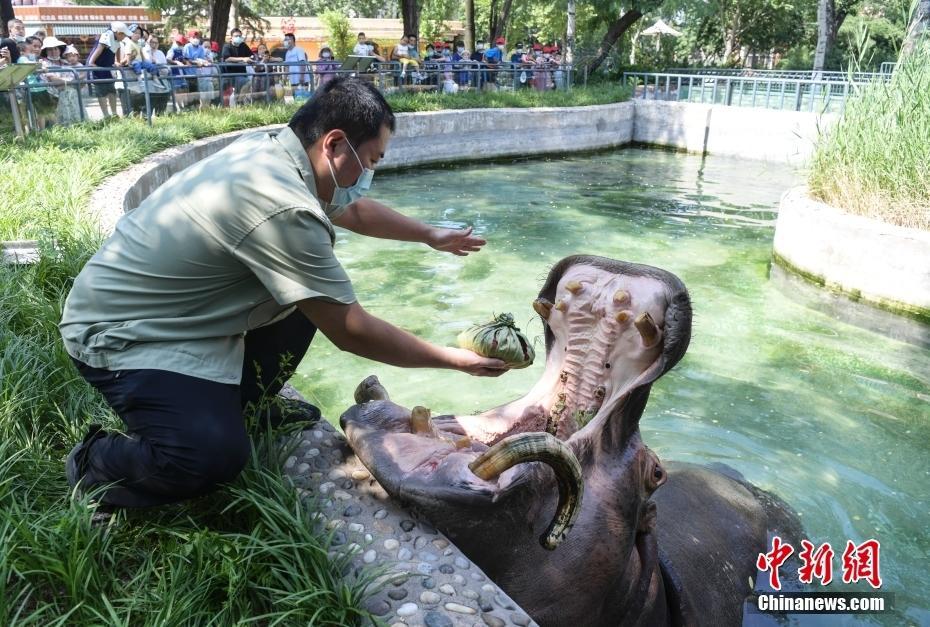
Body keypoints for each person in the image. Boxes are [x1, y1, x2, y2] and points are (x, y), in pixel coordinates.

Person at [61, 77, 504, 510]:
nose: (371, 173)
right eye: (370, 161)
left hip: (178, 311)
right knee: (210, 457)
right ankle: (94, 464)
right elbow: (353, 331)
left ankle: (244, 406)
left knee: (306, 297)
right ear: (333, 144)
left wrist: (429, 234)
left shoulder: (277, 155)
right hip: (124, 334)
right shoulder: (284, 206)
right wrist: (455, 360)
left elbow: (353, 210)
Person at [86, 20, 131, 118]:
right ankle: (106, 115)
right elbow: (99, 48)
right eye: (123, 35)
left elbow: (117, 49)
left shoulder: (117, 40)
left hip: (108, 66)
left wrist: (117, 62)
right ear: (118, 33)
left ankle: (114, 114)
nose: (124, 37)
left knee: (111, 91)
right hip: (99, 67)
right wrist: (92, 62)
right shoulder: (107, 35)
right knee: (101, 92)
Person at [183, 32, 214, 108]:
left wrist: (203, 61)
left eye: (197, 37)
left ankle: (197, 110)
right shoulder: (187, 46)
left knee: (197, 95)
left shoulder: (200, 48)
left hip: (198, 75)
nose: (196, 39)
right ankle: (190, 109)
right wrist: (196, 62)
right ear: (190, 38)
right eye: (194, 37)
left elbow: (201, 58)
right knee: (191, 94)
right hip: (189, 74)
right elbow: (186, 59)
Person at [220, 27, 252, 96]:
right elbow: (227, 58)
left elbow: (251, 55)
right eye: (236, 36)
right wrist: (243, 59)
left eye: (240, 36)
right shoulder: (227, 46)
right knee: (247, 82)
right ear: (231, 38)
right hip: (231, 75)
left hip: (243, 74)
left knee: (250, 83)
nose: (238, 37)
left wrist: (251, 58)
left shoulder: (243, 45)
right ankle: (239, 100)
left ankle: (239, 101)